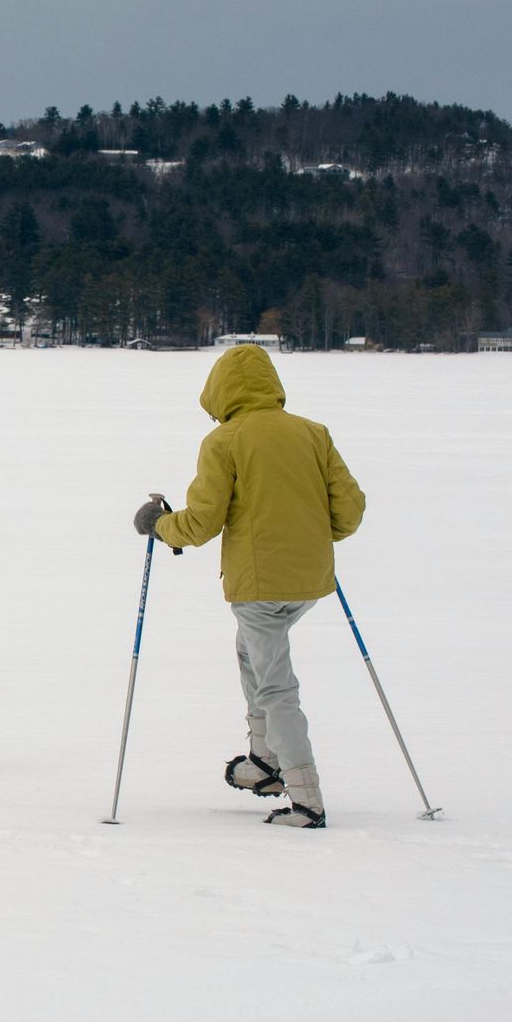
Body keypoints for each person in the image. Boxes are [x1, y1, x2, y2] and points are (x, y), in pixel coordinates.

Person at [132, 345, 365, 828]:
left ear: (221, 392)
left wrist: (159, 525)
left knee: (276, 683)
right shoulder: (312, 433)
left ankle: (306, 798)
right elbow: (349, 511)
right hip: (309, 581)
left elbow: (201, 523)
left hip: (258, 586)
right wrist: (308, 537)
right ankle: (264, 762)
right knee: (251, 656)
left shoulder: (226, 440)